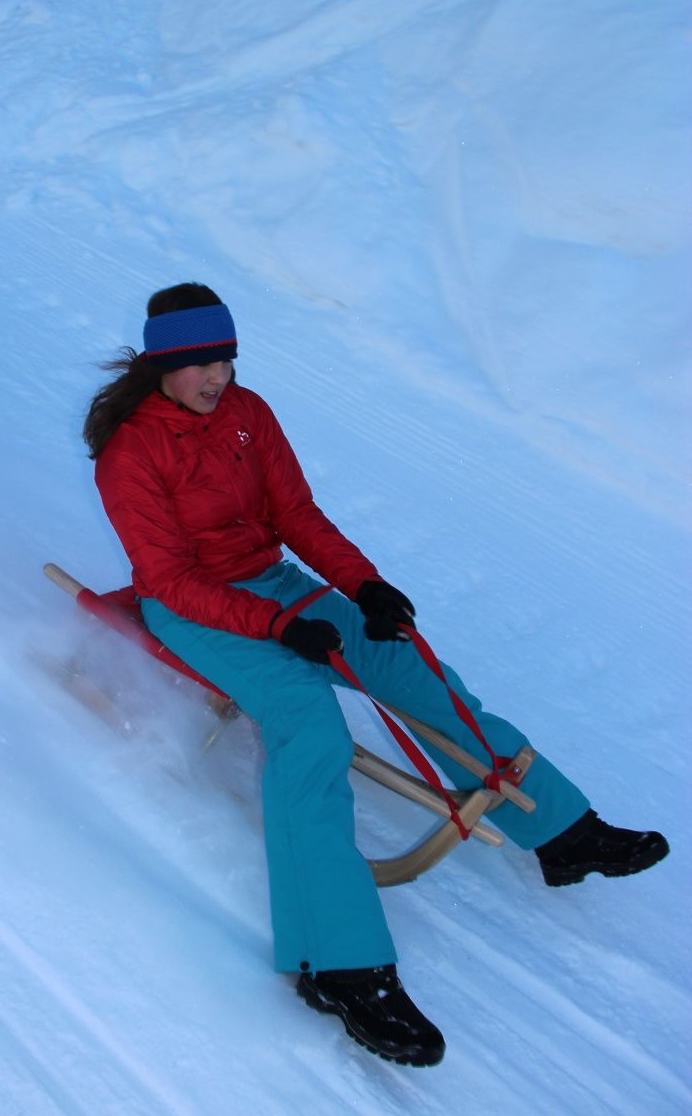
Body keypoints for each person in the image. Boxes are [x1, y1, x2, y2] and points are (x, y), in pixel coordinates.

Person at [84, 282, 669, 1067]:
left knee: (413, 665)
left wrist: (364, 586)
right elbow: (170, 578)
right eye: (199, 363)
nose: (217, 375)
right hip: (195, 611)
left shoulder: (249, 414)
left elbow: (296, 515)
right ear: (162, 364)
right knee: (310, 731)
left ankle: (564, 832)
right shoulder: (130, 453)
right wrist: (279, 627)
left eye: (226, 358)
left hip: (275, 584)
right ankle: (337, 965)